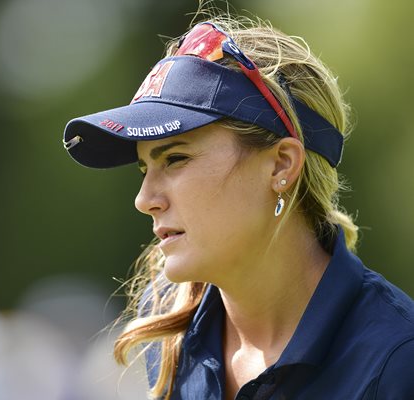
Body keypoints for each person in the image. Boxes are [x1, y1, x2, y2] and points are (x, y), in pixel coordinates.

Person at [62, 10, 414, 400]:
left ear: (281, 164)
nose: (145, 200)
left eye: (175, 159)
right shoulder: (169, 326)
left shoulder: (397, 361)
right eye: (144, 168)